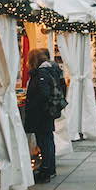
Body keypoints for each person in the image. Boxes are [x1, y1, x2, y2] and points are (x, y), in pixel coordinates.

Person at [23, 48, 57, 183]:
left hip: (41, 115)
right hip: (45, 114)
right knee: (47, 141)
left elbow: (43, 94)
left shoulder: (41, 74)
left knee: (44, 142)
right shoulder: (47, 71)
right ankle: (49, 167)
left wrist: (32, 104)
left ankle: (46, 169)